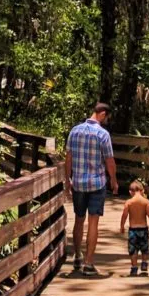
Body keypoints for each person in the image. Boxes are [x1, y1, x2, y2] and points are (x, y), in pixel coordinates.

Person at [64, 102, 117, 276]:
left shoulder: (75, 131)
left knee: (79, 219)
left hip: (78, 183)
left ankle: (77, 257)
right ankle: (88, 263)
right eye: (106, 118)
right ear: (102, 114)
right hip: (97, 183)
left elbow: (68, 158)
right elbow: (109, 161)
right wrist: (114, 181)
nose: (105, 122)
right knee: (93, 222)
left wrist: (67, 180)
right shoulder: (103, 134)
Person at [119, 179, 149, 276]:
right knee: (144, 248)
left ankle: (134, 268)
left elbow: (124, 215)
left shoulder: (129, 202)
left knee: (133, 250)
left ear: (130, 192)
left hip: (133, 230)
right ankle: (144, 263)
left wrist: (122, 226)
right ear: (142, 191)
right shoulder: (146, 202)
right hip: (143, 229)